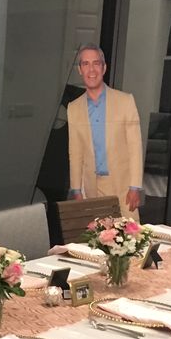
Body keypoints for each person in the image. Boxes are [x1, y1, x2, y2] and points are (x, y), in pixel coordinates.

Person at [68, 44, 143, 220]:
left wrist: (135, 187)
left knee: (130, 238)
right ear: (80, 69)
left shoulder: (125, 101)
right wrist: (76, 190)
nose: (91, 69)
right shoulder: (74, 108)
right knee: (96, 240)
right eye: (85, 64)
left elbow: (135, 148)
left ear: (104, 67)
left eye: (96, 63)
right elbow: (75, 152)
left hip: (122, 186)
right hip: (92, 187)